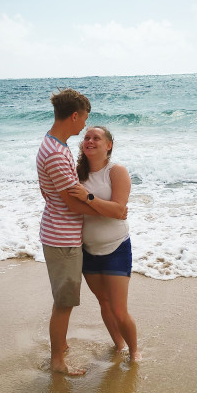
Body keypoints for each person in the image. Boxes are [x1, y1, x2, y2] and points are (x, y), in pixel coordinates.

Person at [36, 89, 126, 377]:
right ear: (75, 116)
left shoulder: (52, 145)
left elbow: (47, 193)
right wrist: (109, 210)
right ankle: (57, 362)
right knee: (64, 303)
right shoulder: (57, 154)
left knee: (64, 300)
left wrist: (99, 205)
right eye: (84, 119)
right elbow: (72, 203)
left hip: (60, 233)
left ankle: (60, 347)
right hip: (62, 238)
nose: (84, 126)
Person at [69, 126, 141, 362]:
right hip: (88, 250)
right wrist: (104, 208)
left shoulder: (116, 171)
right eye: (86, 138)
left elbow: (120, 210)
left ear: (108, 145)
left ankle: (134, 351)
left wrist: (88, 198)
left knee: (119, 310)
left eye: (96, 138)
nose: (90, 141)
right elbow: (74, 208)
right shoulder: (76, 174)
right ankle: (118, 345)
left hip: (116, 247)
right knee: (104, 303)